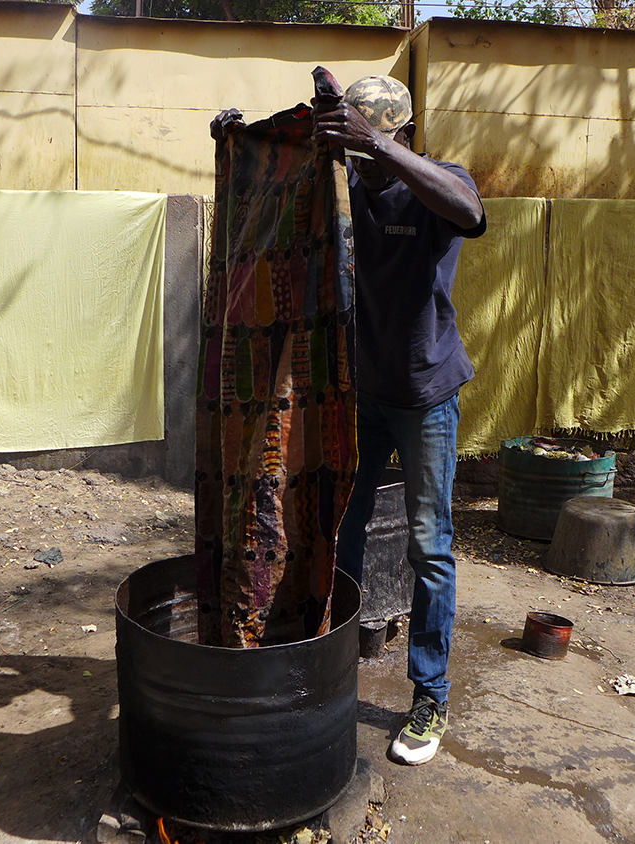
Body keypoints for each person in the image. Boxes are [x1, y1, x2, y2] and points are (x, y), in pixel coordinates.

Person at [210, 74, 484, 766]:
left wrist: (379, 149)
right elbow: (272, 204)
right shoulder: (342, 190)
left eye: (373, 141)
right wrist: (244, 148)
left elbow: (471, 212)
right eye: (353, 146)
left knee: (429, 546)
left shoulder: (434, 183)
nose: (357, 159)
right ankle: (332, 667)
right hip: (354, 393)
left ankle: (430, 695)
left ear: (404, 134)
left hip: (425, 394)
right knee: (333, 527)